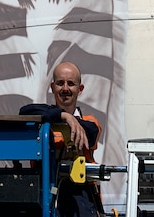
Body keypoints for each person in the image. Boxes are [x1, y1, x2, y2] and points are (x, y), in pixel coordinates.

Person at [19, 62, 104, 217]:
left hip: (81, 199)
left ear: (80, 89)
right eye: (60, 83)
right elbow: (24, 111)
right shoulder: (41, 121)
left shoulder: (91, 123)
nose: (65, 89)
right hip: (44, 194)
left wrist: (71, 120)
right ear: (52, 87)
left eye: (71, 84)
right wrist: (63, 116)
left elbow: (91, 133)